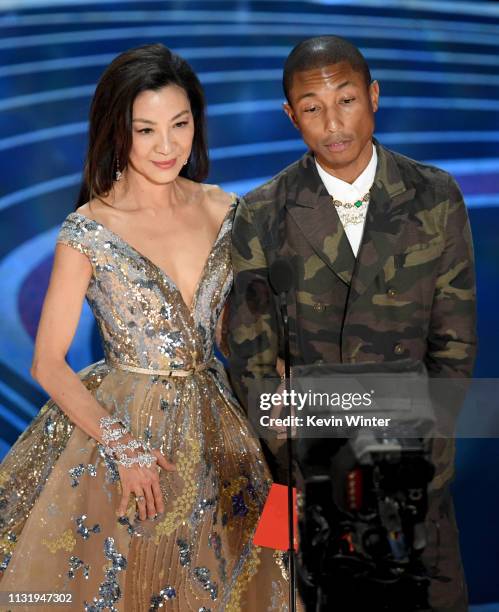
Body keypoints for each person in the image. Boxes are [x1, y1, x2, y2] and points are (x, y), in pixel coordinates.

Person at [0, 44, 290, 611]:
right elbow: (47, 362)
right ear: (118, 131)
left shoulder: (224, 208)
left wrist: (283, 382)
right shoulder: (89, 227)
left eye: (180, 125)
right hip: (123, 429)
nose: (167, 146)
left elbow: (234, 333)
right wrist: (123, 447)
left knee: (250, 575)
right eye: (146, 130)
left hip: (219, 424)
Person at [228, 36, 476, 612]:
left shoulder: (435, 196)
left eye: (346, 100)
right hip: (306, 471)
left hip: (413, 460)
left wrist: (423, 447)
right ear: (291, 116)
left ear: (374, 96)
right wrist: (300, 462)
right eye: (312, 108)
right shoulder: (262, 212)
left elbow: (455, 341)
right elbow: (253, 360)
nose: (332, 122)